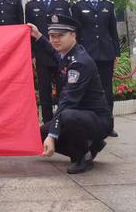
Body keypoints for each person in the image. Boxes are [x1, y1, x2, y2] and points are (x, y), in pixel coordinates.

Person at [29, 14, 112, 174]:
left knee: (66, 116)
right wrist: (38, 36)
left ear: (73, 35)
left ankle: (82, 157)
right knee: (39, 135)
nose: (55, 40)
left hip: (97, 120)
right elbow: (54, 54)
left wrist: (53, 136)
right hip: (78, 114)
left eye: (60, 35)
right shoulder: (68, 53)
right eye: (52, 36)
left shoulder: (79, 63)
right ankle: (93, 145)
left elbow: (67, 101)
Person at [71, 0, 120, 137]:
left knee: (107, 90)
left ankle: (108, 125)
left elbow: (113, 31)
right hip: (87, 54)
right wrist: (76, 53)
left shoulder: (108, 5)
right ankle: (88, 124)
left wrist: (116, 54)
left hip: (106, 54)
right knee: (85, 88)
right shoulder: (77, 6)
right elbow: (75, 32)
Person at [25, 0, 71, 123]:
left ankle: (62, 122)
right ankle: (47, 124)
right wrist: (31, 55)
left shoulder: (64, 4)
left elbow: (70, 29)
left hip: (61, 54)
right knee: (44, 92)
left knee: (62, 91)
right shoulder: (31, 6)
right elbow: (29, 34)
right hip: (42, 55)